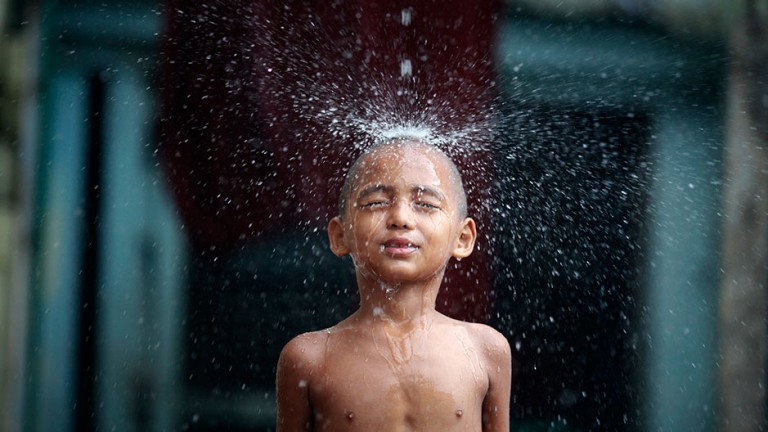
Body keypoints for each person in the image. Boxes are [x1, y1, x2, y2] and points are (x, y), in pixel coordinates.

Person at [276, 137, 511, 432]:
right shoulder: (309, 357)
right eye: (376, 203)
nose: (400, 218)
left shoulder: (485, 350)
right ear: (340, 235)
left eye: (425, 204)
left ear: (462, 238)